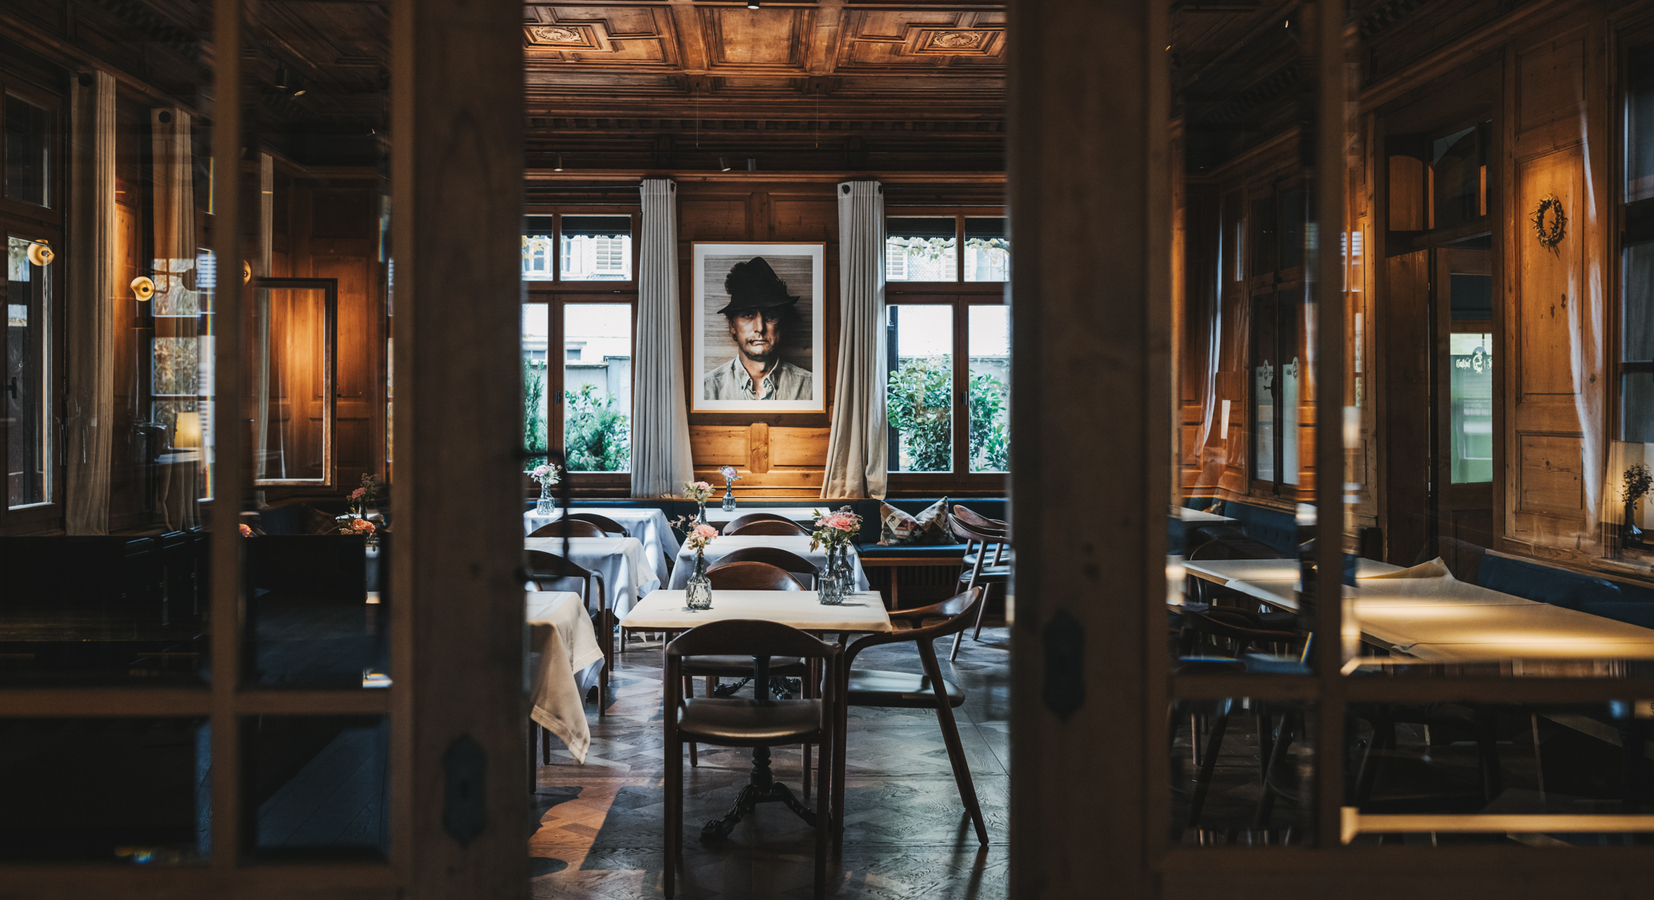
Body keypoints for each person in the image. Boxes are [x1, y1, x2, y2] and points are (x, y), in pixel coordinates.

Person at [703, 257, 812, 401]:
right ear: (732, 326)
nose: (760, 328)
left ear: (782, 324)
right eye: (748, 315)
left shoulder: (811, 389)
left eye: (770, 316)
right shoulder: (706, 390)